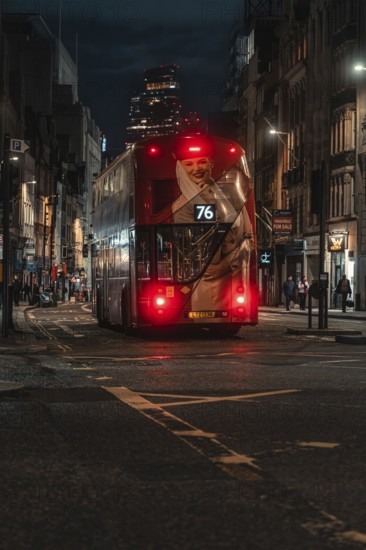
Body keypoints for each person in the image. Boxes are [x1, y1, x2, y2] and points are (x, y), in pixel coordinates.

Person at [169, 139, 254, 311]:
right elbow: (202, 257)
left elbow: (250, 238)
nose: (197, 168)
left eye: (202, 162)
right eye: (189, 164)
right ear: (181, 169)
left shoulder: (233, 198)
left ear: (211, 165)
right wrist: (233, 257)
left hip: (236, 284)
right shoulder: (181, 208)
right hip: (209, 289)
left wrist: (226, 263)